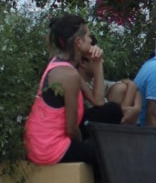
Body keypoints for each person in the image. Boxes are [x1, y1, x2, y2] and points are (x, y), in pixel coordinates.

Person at [24, 14, 105, 171]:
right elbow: (71, 129)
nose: (91, 40)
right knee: (106, 154)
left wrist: (98, 64)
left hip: (46, 141)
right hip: (48, 148)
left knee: (109, 111)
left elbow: (98, 101)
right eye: (88, 35)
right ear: (78, 42)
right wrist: (83, 146)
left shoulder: (64, 65)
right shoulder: (68, 75)